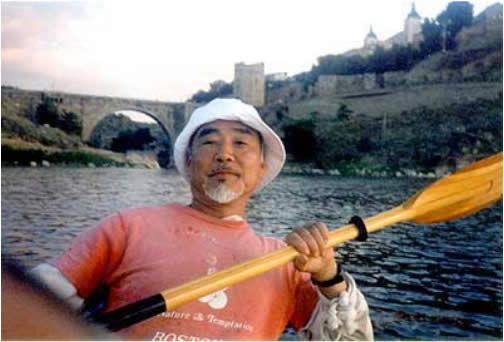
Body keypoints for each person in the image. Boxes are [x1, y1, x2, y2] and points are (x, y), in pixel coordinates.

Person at [31, 98, 373, 341]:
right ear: (190, 160)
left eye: (241, 143)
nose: (225, 153)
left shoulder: (288, 260)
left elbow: (350, 340)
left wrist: (329, 277)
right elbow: (27, 308)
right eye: (210, 142)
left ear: (261, 166)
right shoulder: (125, 228)